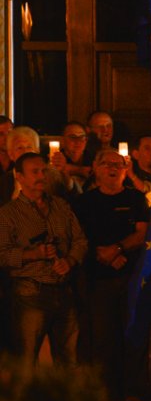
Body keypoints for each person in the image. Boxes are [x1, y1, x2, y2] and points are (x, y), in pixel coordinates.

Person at [74, 149, 150, 401]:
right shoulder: (84, 202)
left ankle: (134, 390)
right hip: (99, 278)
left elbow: (142, 233)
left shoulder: (136, 198)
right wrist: (101, 254)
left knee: (132, 333)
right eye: (106, 164)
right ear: (95, 168)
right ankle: (108, 390)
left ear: (125, 169)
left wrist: (118, 249)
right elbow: (79, 237)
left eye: (118, 164)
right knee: (104, 337)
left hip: (131, 276)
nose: (113, 169)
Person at [0, 153, 87, 367]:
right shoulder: (8, 214)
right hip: (30, 294)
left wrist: (70, 260)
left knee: (69, 359)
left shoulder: (61, 206)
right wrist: (33, 254)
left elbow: (80, 241)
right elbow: (1, 254)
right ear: (19, 176)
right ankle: (25, 400)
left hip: (63, 292)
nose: (41, 176)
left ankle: (65, 400)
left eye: (44, 171)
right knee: (26, 359)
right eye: (35, 172)